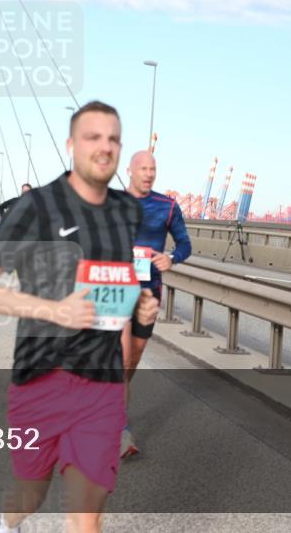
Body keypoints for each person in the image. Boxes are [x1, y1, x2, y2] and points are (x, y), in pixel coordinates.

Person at [0, 101, 158, 533]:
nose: (104, 147)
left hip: (100, 386)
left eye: (112, 139)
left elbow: (114, 284)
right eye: (92, 137)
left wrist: (138, 306)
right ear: (71, 144)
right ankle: (6, 523)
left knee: (86, 520)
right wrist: (54, 310)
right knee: (31, 491)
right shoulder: (36, 208)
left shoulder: (126, 211)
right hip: (40, 379)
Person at [120, 150, 191, 458]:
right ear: (129, 171)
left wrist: (171, 257)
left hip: (149, 291)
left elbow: (185, 243)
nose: (148, 174)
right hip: (116, 289)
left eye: (153, 169)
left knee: (133, 358)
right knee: (121, 358)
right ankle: (120, 431)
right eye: (143, 168)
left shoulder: (168, 206)